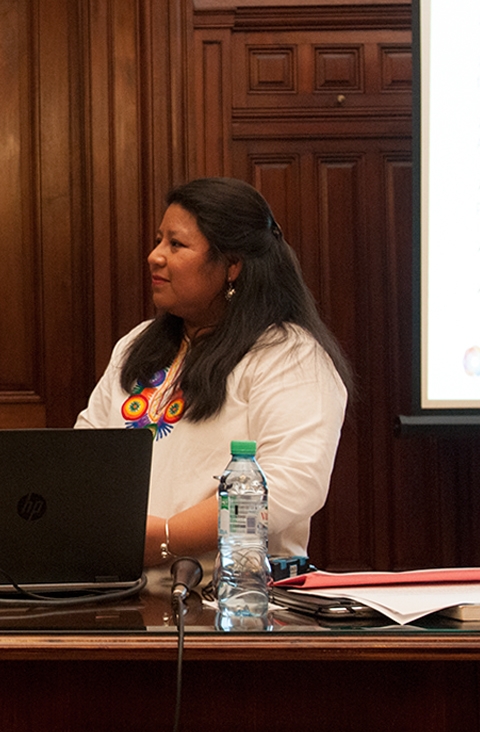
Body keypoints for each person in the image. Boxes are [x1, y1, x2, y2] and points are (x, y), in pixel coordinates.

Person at [74, 177, 351, 582]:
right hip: (116, 593)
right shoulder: (137, 344)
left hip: (234, 604)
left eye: (176, 244)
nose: (155, 256)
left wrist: (165, 538)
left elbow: (292, 483)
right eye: (158, 240)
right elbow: (85, 453)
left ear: (232, 265)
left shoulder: (289, 355)